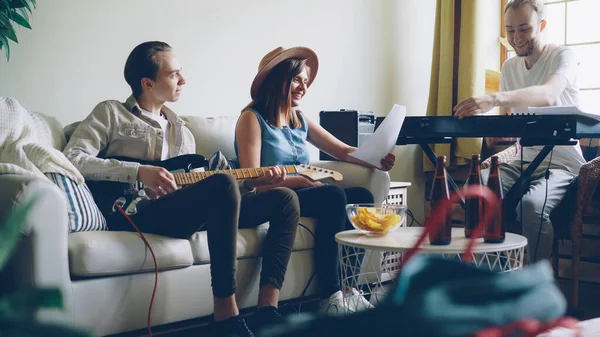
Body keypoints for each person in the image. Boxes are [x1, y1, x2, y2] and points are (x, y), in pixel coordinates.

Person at [63, 41, 301, 337]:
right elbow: (72, 158)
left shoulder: (181, 130)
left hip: (181, 212)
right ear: (147, 83)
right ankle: (226, 316)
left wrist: (254, 183)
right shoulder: (110, 113)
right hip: (135, 212)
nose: (183, 81)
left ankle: (268, 310)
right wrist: (138, 172)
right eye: (175, 75)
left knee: (284, 198)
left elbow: (212, 190)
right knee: (223, 184)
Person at [234, 46, 396, 314]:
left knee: (363, 197)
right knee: (333, 195)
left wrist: (376, 158)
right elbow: (254, 181)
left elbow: (342, 150)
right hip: (274, 196)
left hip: (304, 190)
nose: (303, 87)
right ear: (278, 80)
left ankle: (349, 289)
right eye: (297, 79)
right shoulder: (252, 118)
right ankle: (330, 295)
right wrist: (302, 181)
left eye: (306, 81)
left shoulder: (299, 119)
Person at [453, 0, 585, 262]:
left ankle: (536, 285)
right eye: (510, 30)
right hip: (523, 155)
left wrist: (494, 98)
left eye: (524, 29)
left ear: (542, 25)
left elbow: (548, 95)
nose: (516, 38)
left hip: (562, 161)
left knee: (531, 207)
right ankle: (489, 275)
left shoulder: (562, 56)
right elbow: (513, 126)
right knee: (474, 189)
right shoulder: (509, 68)